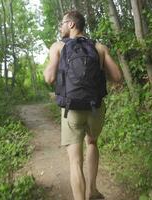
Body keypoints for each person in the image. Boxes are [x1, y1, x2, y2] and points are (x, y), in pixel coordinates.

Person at [43, 10, 122, 200]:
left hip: (72, 110)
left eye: (62, 23)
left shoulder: (58, 46)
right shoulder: (99, 47)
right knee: (92, 142)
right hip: (95, 108)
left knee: (75, 161)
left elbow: (49, 77)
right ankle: (93, 191)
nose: (60, 27)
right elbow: (118, 77)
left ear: (71, 24)